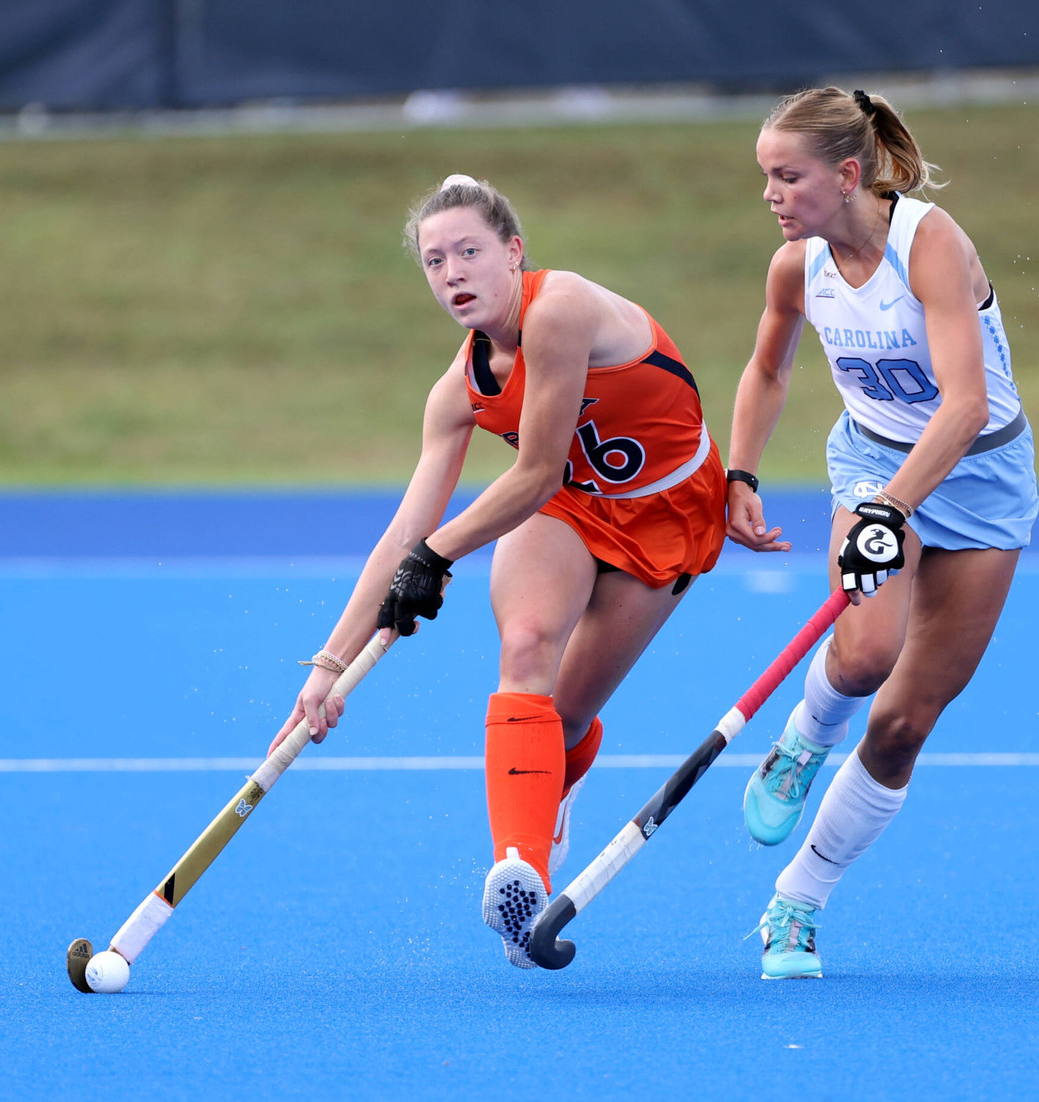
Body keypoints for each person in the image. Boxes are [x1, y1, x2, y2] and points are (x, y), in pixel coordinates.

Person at [269, 174, 727, 969]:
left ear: (514, 252)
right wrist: (329, 665)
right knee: (525, 649)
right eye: (434, 261)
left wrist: (438, 555)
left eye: (470, 252)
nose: (452, 273)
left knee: (571, 717)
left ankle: (554, 796)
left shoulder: (562, 309)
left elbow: (538, 469)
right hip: (568, 513)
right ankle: (520, 870)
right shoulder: (456, 393)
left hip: (667, 511)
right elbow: (403, 535)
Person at [724, 88, 1039, 979]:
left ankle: (798, 902)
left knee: (903, 722)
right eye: (766, 177)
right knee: (863, 656)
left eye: (788, 176)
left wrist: (892, 509)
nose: (772, 195)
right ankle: (801, 742)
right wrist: (740, 472)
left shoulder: (930, 246)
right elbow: (766, 366)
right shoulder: (797, 266)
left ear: (848, 174)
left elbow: (967, 405)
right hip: (872, 462)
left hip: (979, 479)